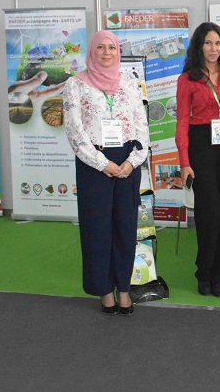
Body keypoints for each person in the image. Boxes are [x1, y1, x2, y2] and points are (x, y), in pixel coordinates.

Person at [63, 30, 149, 316]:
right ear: (92, 51)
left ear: (118, 52)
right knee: (97, 229)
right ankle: (103, 289)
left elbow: (141, 126)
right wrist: (101, 163)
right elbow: (74, 131)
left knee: (125, 228)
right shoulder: (76, 84)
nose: (107, 53)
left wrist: (132, 161)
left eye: (111, 47)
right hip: (94, 165)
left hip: (126, 164)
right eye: (100, 47)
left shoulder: (130, 84)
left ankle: (123, 288)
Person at [175, 22, 220, 298]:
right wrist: (184, 162)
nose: (213, 48)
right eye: (208, 43)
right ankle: (204, 273)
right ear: (199, 46)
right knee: (210, 212)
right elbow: (182, 122)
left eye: (217, 43)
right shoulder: (187, 79)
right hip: (201, 146)